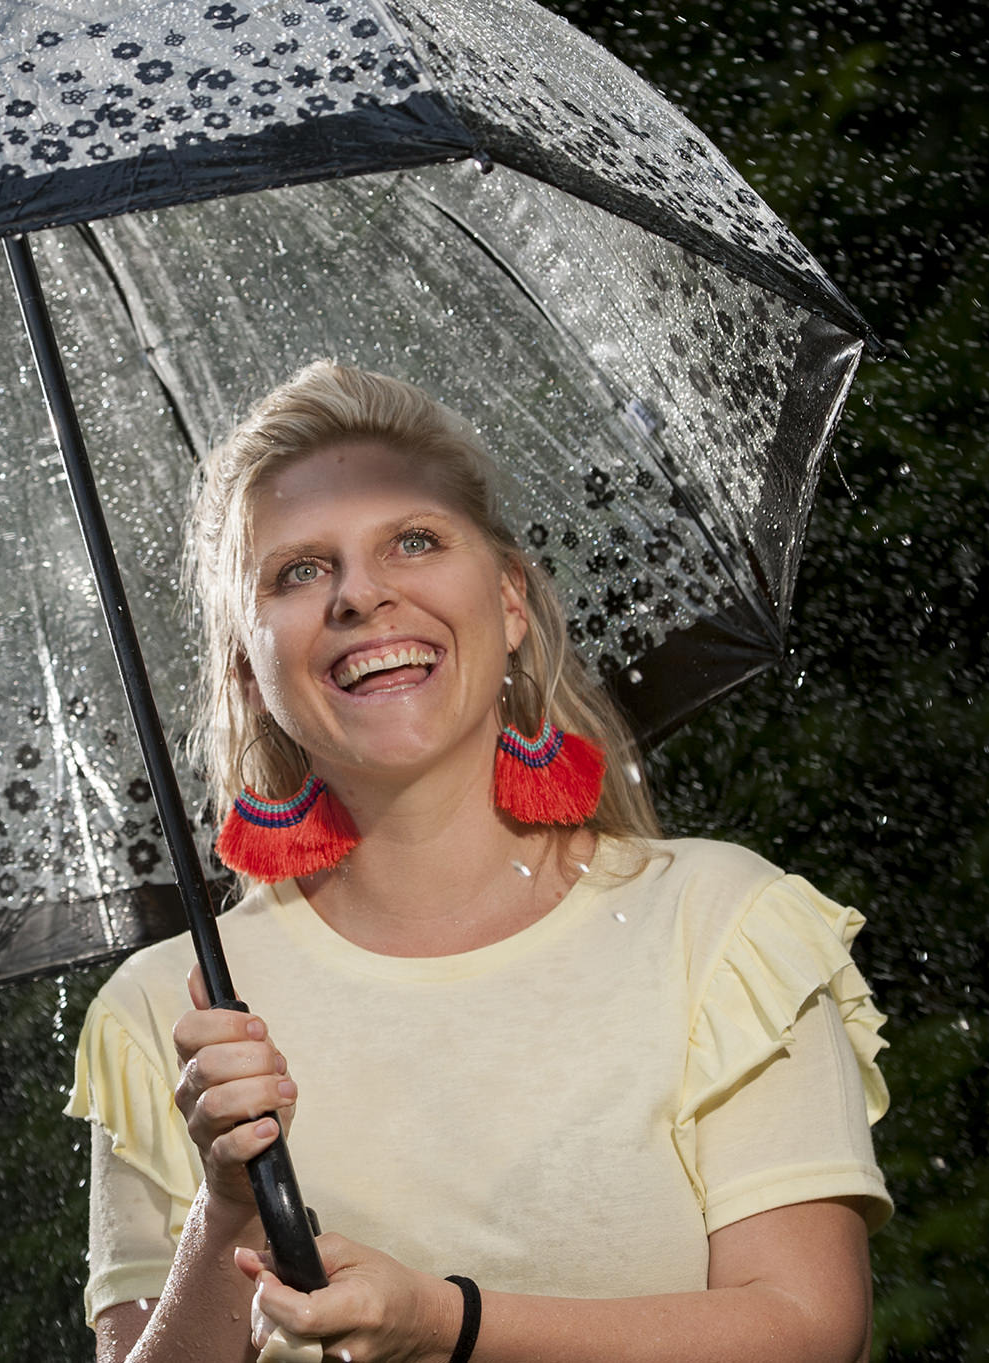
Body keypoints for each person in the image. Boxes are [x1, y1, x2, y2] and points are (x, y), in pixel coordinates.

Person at [65, 362, 890, 1363]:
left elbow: (806, 1330)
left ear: (508, 600)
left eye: (412, 540)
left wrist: (442, 1320)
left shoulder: (722, 928)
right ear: (246, 666)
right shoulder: (171, 1017)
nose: (361, 594)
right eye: (299, 571)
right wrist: (227, 1202)